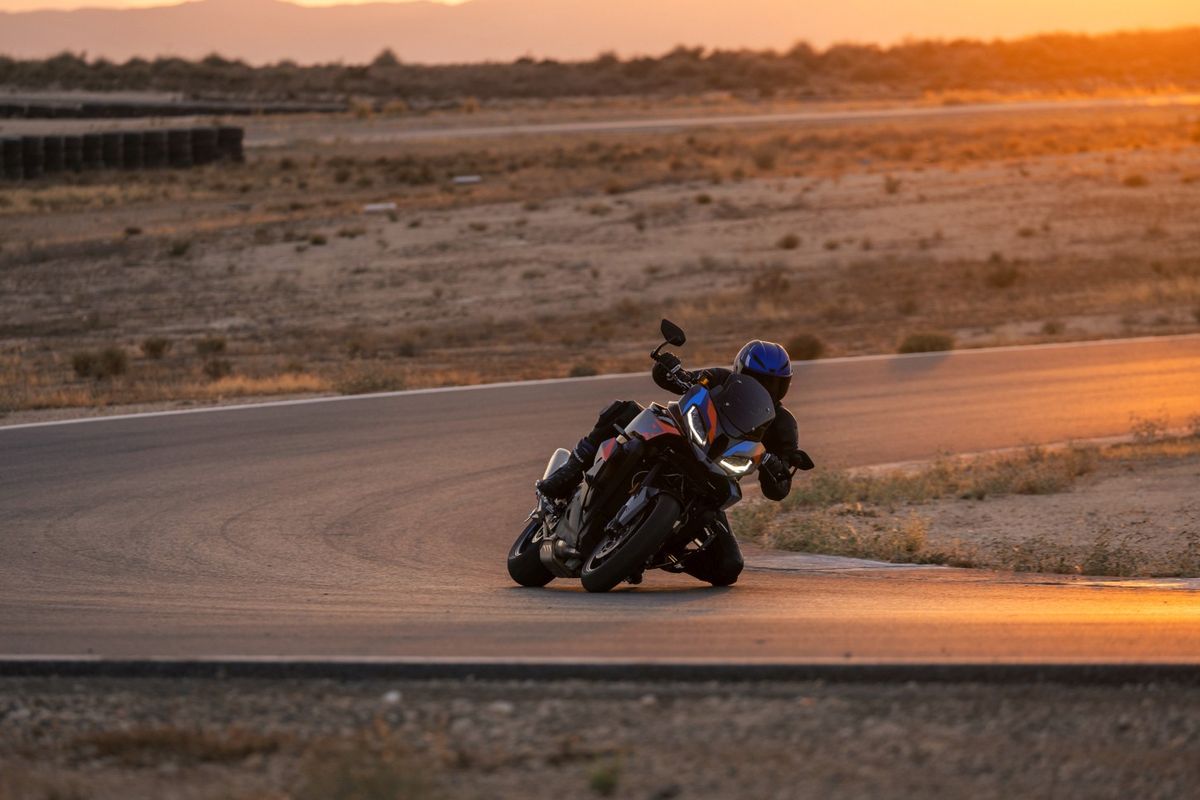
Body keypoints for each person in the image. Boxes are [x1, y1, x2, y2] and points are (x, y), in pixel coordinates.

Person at [536, 340, 806, 586]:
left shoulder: (783, 423)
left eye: (774, 384)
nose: (766, 389)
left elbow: (779, 487)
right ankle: (571, 471)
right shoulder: (722, 379)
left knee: (729, 567)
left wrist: (778, 467)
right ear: (742, 372)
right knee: (625, 409)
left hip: (716, 477)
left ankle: (660, 549)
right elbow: (687, 380)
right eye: (758, 380)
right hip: (681, 438)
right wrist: (674, 371)